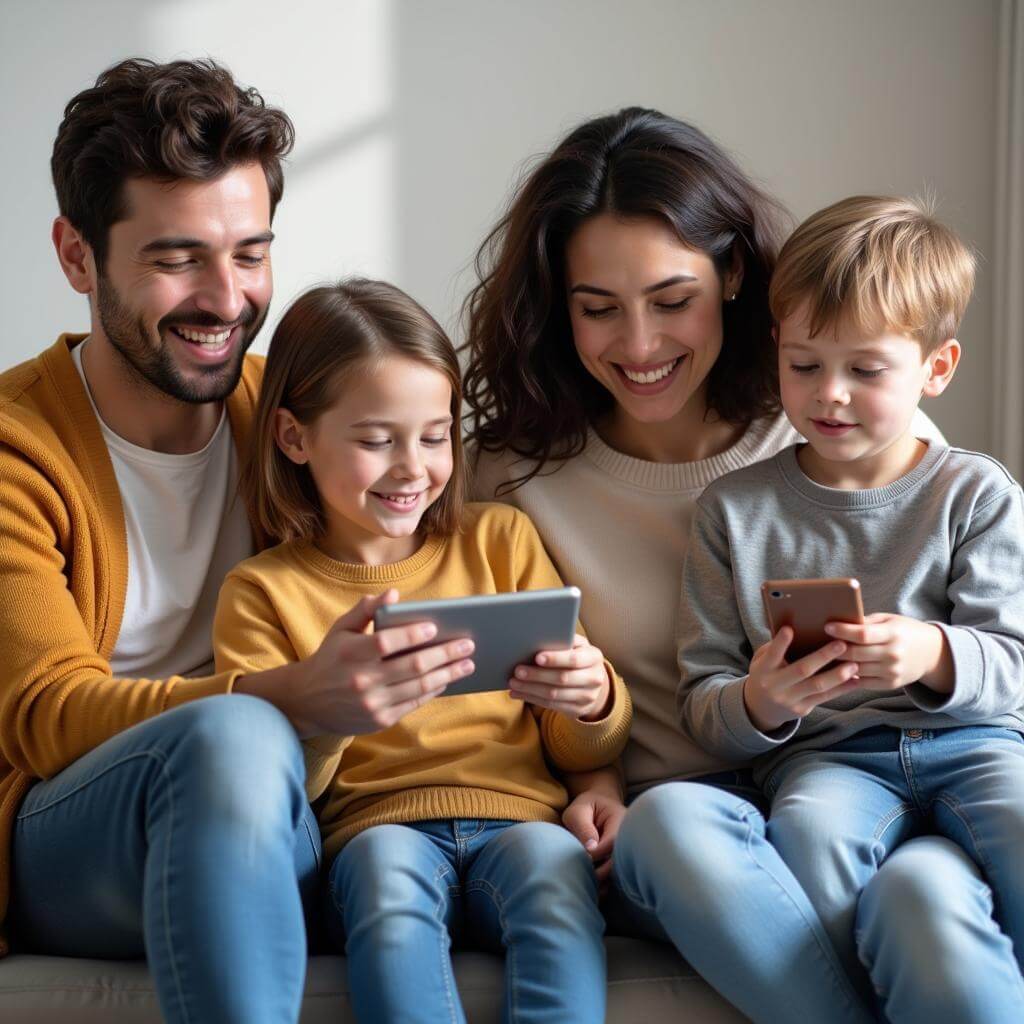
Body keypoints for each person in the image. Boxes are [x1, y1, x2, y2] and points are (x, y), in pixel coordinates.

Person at [0, 59, 471, 1024]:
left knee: (253, 750)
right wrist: (285, 696)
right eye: (177, 259)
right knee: (235, 732)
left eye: (251, 253)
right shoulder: (18, 447)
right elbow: (42, 715)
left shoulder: (302, 424)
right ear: (78, 257)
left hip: (283, 825)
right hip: (78, 839)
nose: (227, 299)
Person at [463, 107, 953, 1023]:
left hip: (860, 795)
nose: (640, 347)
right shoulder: (512, 473)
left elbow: (956, 634)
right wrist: (592, 785)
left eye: (671, 300)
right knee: (674, 831)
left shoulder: (832, 412)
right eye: (597, 309)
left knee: (931, 903)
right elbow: (513, 686)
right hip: (682, 830)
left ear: (732, 273)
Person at [213, 278, 633, 1024]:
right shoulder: (262, 591)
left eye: (435, 435)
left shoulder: (498, 539)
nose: (414, 467)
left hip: (522, 822)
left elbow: (573, 740)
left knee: (555, 885)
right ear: (294, 437)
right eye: (377, 440)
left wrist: (593, 695)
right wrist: (333, 706)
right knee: (385, 887)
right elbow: (279, 788)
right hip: (375, 832)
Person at [678, 195, 1024, 1023]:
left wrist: (933, 654)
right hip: (829, 764)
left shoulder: (973, 492)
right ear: (776, 353)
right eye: (804, 365)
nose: (829, 395)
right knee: (807, 839)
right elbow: (701, 702)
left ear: (936, 369)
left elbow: (1013, 663)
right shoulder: (732, 511)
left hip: (974, 746)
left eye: (866, 370)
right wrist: (761, 703)